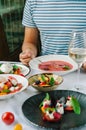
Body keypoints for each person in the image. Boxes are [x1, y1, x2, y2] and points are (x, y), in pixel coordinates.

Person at [19, 0, 86, 70]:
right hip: (46, 69)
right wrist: (29, 52)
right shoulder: (32, 2)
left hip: (81, 69)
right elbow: (30, 42)